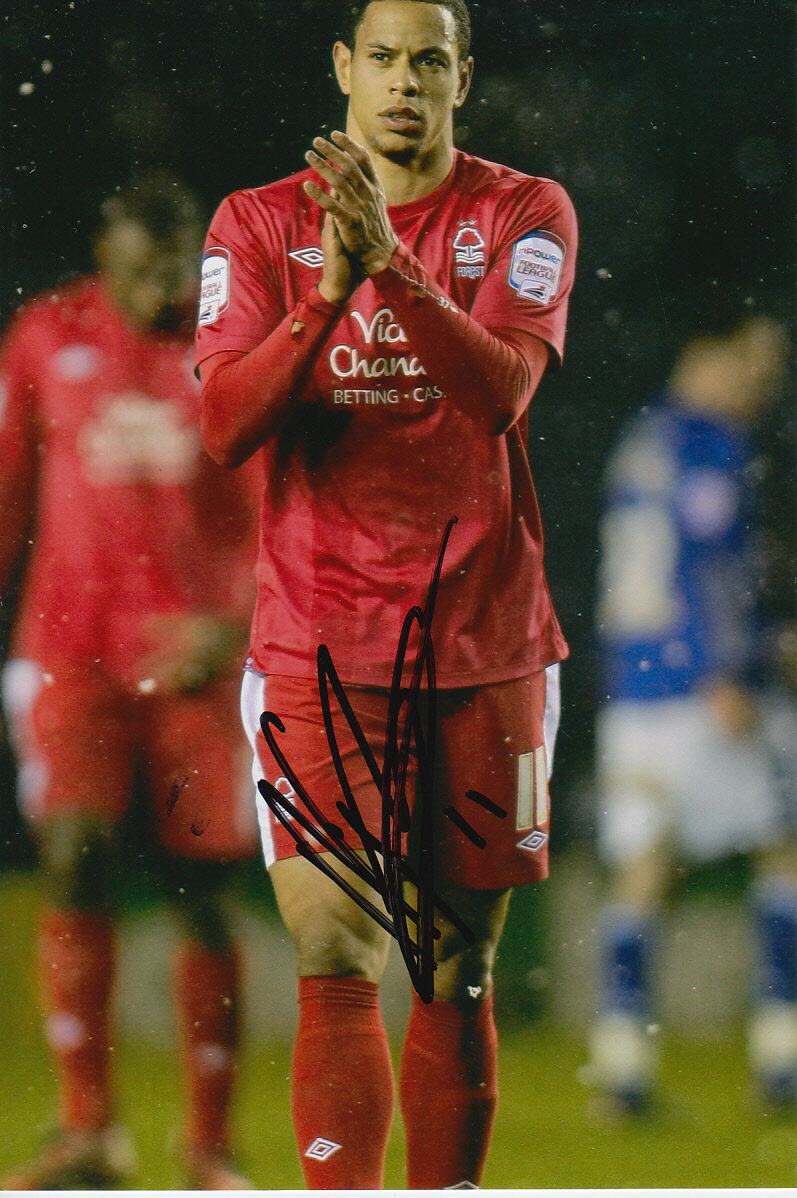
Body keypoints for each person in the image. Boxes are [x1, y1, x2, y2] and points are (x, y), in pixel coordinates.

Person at [196, 0, 577, 1188]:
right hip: (318, 644)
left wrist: (393, 267)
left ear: (463, 75)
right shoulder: (258, 222)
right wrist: (327, 291)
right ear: (341, 71)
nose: (403, 81)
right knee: (337, 947)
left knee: (457, 963)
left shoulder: (524, 210)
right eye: (382, 59)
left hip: (485, 637)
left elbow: (502, 388)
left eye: (428, 60)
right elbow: (223, 425)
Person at [0, 175, 258, 1189]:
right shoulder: (43, 337)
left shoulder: (236, 347)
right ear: (105, 259)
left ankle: (209, 1147)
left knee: (201, 886)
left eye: (180, 265)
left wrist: (231, 626)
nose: (165, 285)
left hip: (198, 667)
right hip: (71, 656)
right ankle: (90, 1131)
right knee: (74, 851)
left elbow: (286, 506)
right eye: (145, 265)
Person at [589, 310, 796, 1115]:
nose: (762, 383)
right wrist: (724, 668)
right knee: (781, 852)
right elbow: (708, 563)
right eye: (751, 364)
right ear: (702, 354)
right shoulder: (711, 444)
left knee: (643, 870)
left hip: (635, 687)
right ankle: (781, 1056)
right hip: (699, 689)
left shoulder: (642, 440)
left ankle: (620, 1064)